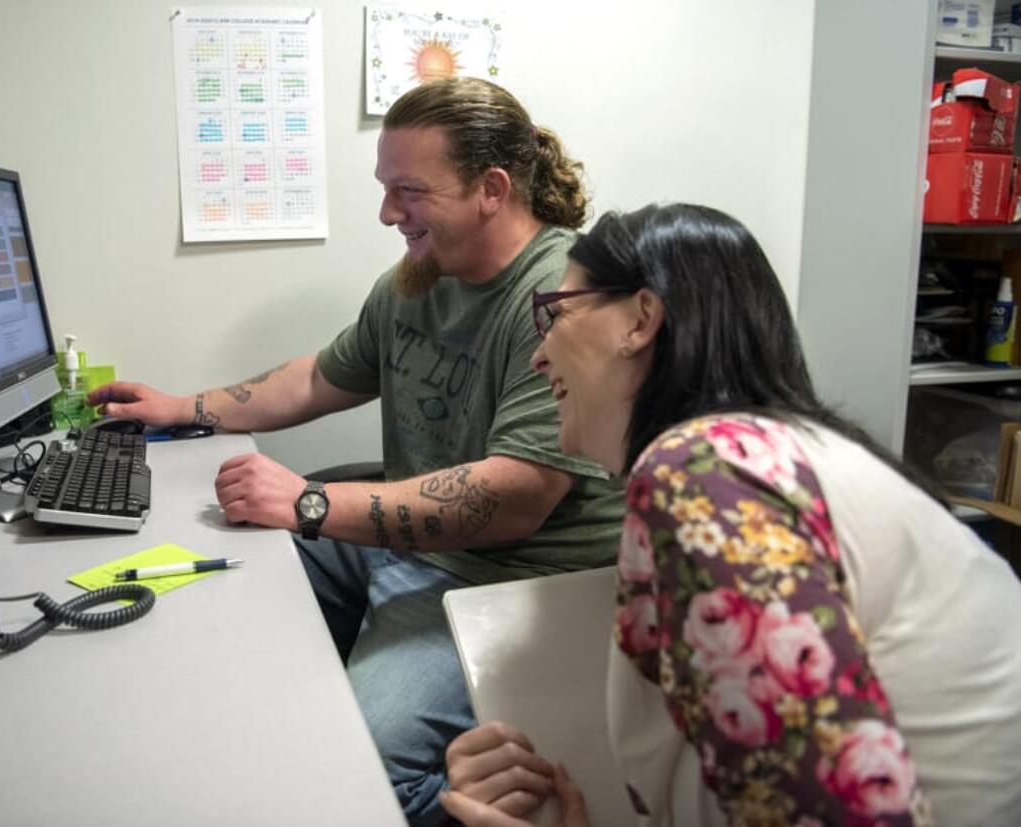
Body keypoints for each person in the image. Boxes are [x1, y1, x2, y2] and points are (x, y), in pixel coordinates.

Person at [87, 77, 624, 826]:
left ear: (491, 189)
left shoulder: (559, 294)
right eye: (385, 188)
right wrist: (181, 408)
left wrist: (308, 502)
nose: (386, 213)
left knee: (365, 771)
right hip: (408, 546)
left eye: (409, 191)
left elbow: (516, 497)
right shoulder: (416, 279)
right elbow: (317, 377)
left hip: (508, 577)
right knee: (214, 571)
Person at [440, 204, 1021, 827]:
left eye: (556, 314)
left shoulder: (706, 472)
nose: (538, 356)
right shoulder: (768, 455)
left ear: (640, 320)